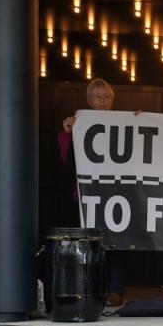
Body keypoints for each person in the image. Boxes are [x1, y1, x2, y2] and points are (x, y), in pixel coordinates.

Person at [58, 78, 126, 307]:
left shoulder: (124, 122)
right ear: (89, 100)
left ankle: (115, 291)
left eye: (107, 97)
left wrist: (142, 121)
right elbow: (66, 160)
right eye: (98, 96)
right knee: (89, 245)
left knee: (116, 244)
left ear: (113, 99)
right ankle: (90, 289)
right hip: (87, 195)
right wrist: (68, 133)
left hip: (117, 194)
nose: (102, 101)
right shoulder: (78, 123)